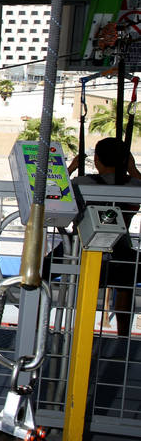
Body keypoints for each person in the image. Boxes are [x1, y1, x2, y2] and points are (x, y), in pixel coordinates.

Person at [69, 137, 141, 337]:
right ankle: (123, 334)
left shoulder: (81, 183)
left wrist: (72, 167)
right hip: (121, 250)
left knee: (44, 268)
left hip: (81, 248)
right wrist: (132, 169)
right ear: (125, 160)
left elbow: (55, 193)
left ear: (97, 160)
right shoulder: (134, 184)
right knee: (126, 280)